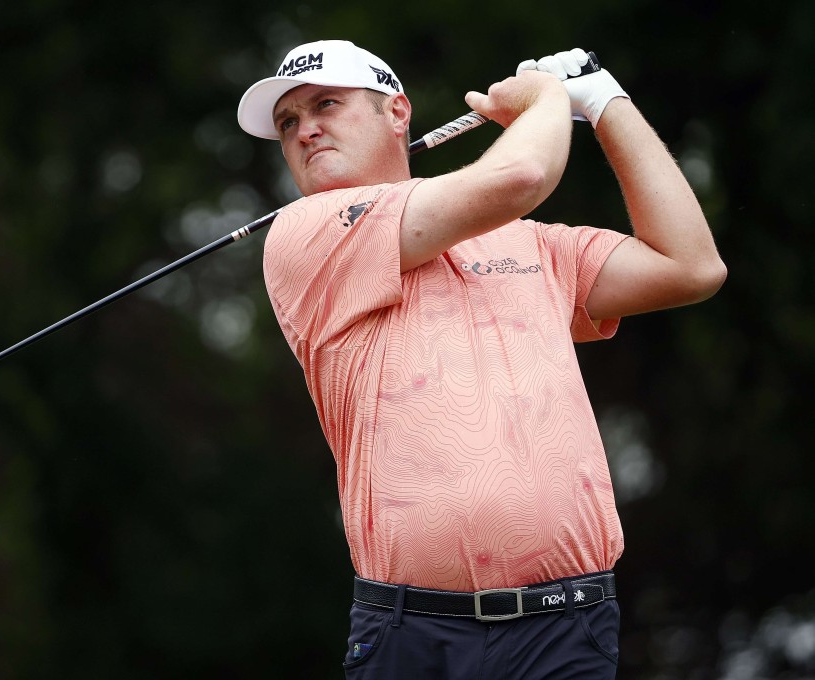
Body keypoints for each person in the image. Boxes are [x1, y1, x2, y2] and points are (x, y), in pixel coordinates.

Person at [236, 39, 726, 679]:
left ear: (398, 112)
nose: (305, 131)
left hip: (566, 625)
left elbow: (690, 266)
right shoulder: (304, 235)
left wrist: (604, 99)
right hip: (413, 632)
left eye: (326, 104)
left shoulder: (535, 248)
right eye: (288, 123)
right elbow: (520, 178)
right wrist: (550, 97)